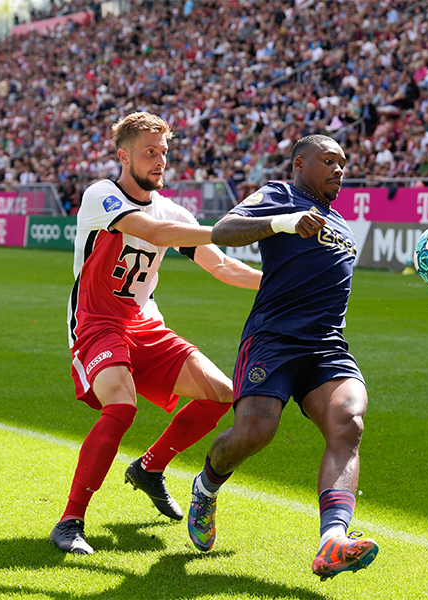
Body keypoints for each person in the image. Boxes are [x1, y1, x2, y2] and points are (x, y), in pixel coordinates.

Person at [50, 112, 262, 555]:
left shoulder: (173, 210)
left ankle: (149, 469)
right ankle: (70, 521)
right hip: (96, 321)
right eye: (150, 152)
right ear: (123, 155)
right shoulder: (101, 195)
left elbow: (220, 265)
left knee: (222, 394)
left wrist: (277, 279)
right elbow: (151, 230)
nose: (160, 161)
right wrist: (231, 230)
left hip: (144, 322)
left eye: (164, 152)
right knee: (121, 405)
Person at [187, 134, 379, 581]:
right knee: (255, 432)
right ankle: (205, 487)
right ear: (298, 164)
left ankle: (333, 540)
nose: (338, 169)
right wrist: (284, 222)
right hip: (273, 340)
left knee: (349, 422)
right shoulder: (279, 195)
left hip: (327, 348)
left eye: (343, 163)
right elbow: (223, 232)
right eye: (328, 160)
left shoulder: (342, 225)